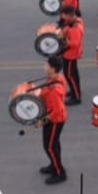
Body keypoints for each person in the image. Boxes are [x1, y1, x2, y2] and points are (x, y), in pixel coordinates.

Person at [38, 55, 68, 183]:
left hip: (55, 120)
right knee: (53, 144)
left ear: (53, 69)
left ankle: (60, 172)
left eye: (47, 65)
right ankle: (54, 164)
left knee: (49, 146)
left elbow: (57, 111)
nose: (44, 66)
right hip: (52, 117)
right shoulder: (56, 78)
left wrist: (42, 121)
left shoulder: (55, 89)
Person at [58, 6, 84, 106]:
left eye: (64, 16)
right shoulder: (77, 21)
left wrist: (62, 39)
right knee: (74, 74)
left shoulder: (75, 28)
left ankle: (76, 97)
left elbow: (74, 43)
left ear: (70, 16)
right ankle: (75, 91)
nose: (63, 17)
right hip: (72, 53)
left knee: (69, 75)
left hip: (70, 54)